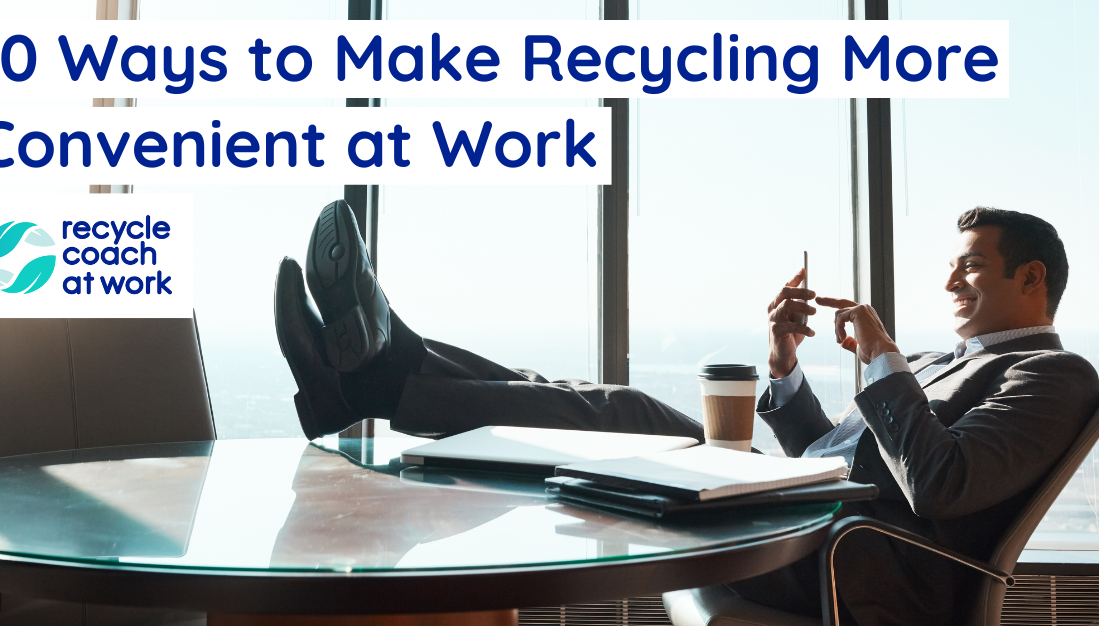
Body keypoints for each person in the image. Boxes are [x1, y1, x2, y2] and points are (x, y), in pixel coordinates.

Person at [274, 201, 1099, 626]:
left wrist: (883, 358)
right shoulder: (942, 362)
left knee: (623, 411)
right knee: (609, 404)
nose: (952, 284)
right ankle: (385, 370)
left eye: (971, 269)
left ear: (1032, 280)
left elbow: (944, 487)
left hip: (846, 564)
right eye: (952, 270)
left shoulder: (1053, 374)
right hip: (809, 517)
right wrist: (785, 367)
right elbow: (832, 453)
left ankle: (377, 380)